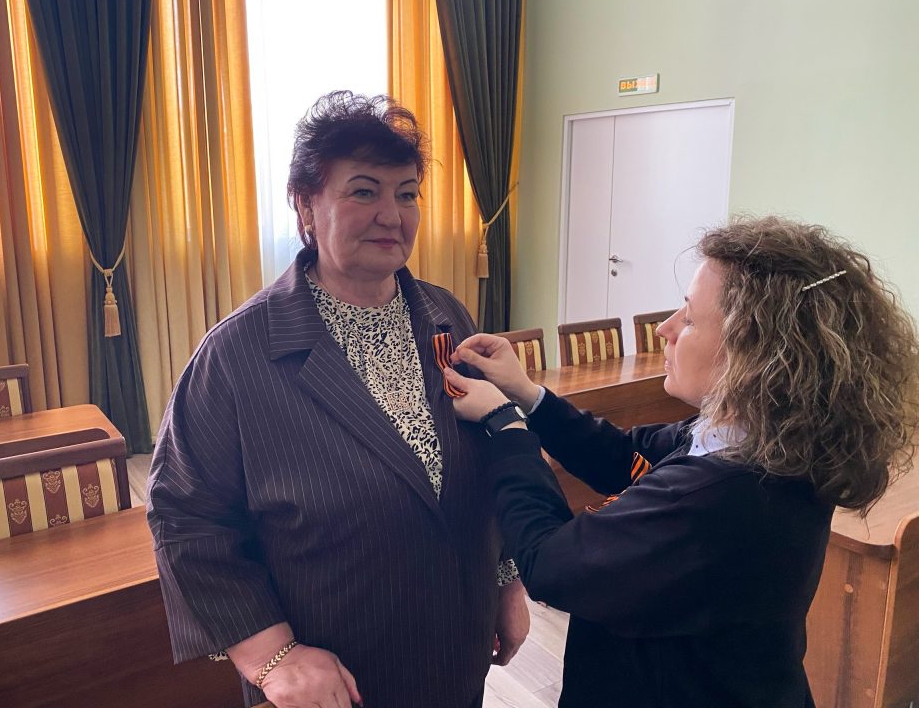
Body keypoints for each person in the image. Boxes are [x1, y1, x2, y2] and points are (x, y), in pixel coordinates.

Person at [146, 91, 528, 708]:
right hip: (332, 680)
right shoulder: (238, 353)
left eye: (407, 194)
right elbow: (186, 516)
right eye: (363, 191)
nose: (391, 215)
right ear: (305, 204)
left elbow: (485, 463)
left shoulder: (446, 317)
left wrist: (505, 580)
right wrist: (271, 656)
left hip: (455, 653)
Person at [444, 216, 919, 708]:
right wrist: (528, 395)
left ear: (752, 354)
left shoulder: (720, 498)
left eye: (690, 319)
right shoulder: (763, 438)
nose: (665, 328)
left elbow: (550, 564)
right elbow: (626, 457)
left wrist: (507, 429)